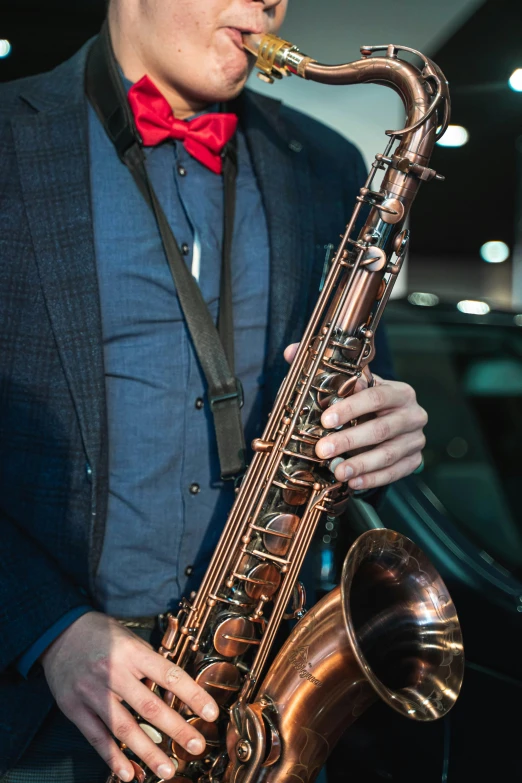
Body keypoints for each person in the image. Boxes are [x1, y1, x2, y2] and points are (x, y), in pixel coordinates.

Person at [0, 0, 428, 781]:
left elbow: (356, 379)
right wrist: (50, 630)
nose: (269, 2)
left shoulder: (327, 163)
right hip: (39, 714)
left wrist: (386, 429)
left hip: (257, 707)